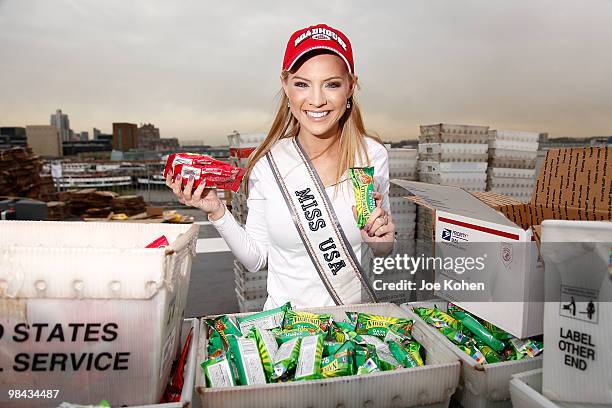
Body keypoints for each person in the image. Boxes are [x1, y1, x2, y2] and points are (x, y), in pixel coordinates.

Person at [166, 23, 394, 309]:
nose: (316, 100)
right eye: (302, 83)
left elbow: (383, 249)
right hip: (285, 334)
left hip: (352, 330)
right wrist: (217, 211)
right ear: (285, 85)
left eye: (331, 84)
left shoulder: (371, 156)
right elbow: (256, 259)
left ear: (350, 86)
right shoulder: (268, 163)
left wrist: (381, 239)